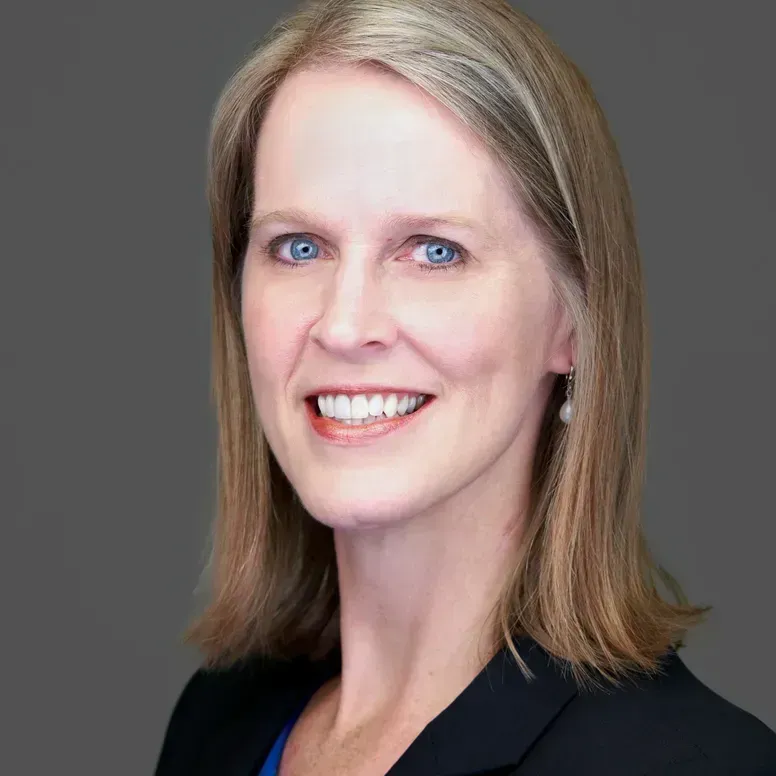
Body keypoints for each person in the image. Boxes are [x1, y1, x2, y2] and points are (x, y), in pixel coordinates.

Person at [153, 0, 776, 774]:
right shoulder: (219, 724)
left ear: (572, 324)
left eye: (434, 252)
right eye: (300, 245)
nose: (344, 326)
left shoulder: (694, 764)